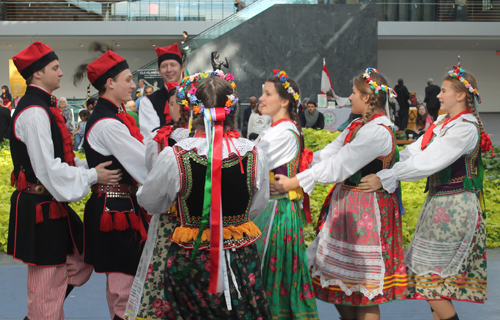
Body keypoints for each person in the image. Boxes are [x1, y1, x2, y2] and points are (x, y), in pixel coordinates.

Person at [133, 71, 271, 319]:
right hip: (240, 254)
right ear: (233, 111)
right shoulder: (254, 154)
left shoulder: (176, 155)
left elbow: (150, 202)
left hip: (192, 257)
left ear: (194, 111)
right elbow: (257, 206)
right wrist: (231, 222)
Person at [272, 68, 407, 320]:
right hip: (346, 208)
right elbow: (328, 154)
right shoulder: (358, 125)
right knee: (337, 284)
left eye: (354, 93)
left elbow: (341, 164)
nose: (350, 97)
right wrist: (297, 165)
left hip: (366, 214)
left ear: (367, 98)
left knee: (364, 291)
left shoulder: (377, 131)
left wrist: (296, 181)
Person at [360, 65, 491, 320]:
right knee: (432, 282)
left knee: (426, 279)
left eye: (443, 91)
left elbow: (431, 160)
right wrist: (385, 165)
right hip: (438, 205)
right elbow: (415, 151)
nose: (438, 96)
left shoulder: (464, 128)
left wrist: (388, 176)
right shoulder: (443, 123)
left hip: (455, 208)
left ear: (462, 95)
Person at [8, 41, 121, 320]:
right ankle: (42, 313)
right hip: (40, 206)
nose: (61, 73)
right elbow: (48, 169)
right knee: (47, 282)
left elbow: (59, 159)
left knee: (80, 262)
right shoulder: (34, 112)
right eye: (55, 68)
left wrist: (89, 166)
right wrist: (93, 174)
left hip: (47, 204)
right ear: (37, 73)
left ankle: (45, 309)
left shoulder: (41, 107)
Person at [81, 50, 149, 320]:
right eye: (128, 79)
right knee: (125, 291)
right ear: (110, 83)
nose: (133, 85)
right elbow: (144, 166)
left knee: (123, 290)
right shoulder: (109, 124)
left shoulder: (112, 117)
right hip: (116, 210)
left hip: (118, 205)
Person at [253, 69, 319, 319]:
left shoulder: (283, 132)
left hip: (277, 213)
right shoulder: (277, 128)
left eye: (267, 94)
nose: (261, 98)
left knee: (273, 272)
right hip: (271, 209)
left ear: (284, 101)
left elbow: (253, 164)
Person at [139, 43, 185, 138]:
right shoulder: (148, 101)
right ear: (159, 71)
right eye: (164, 66)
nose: (169, 70)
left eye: (173, 65)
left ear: (182, 68)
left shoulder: (195, 94)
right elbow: (150, 137)